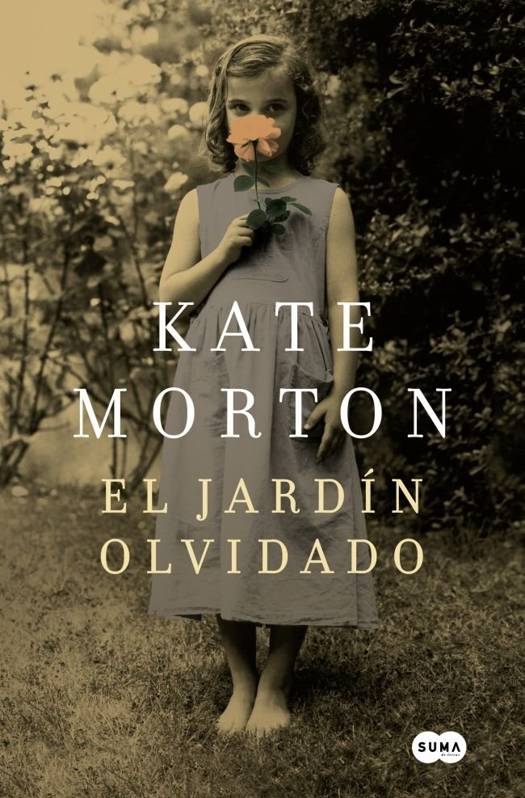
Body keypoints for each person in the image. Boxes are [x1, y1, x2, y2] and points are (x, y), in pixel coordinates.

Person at [148, 33, 379, 738]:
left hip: (295, 381)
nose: (259, 122)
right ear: (223, 116)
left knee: (293, 516)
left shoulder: (325, 201)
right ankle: (241, 680)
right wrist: (224, 250)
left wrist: (342, 390)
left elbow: (345, 302)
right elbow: (169, 298)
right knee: (222, 516)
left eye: (275, 107)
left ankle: (277, 682)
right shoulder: (204, 203)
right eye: (242, 107)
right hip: (219, 381)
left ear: (299, 112)